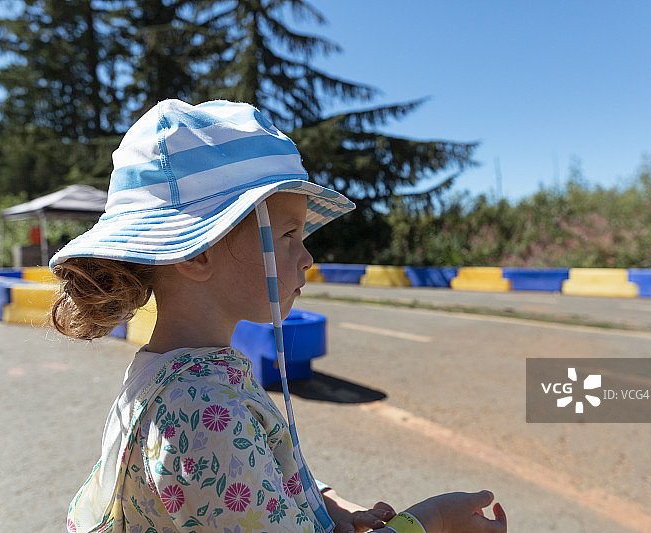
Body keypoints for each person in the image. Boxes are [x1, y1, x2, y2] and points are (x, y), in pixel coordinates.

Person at [51, 99, 507, 533]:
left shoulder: (176, 377)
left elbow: (243, 474)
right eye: (288, 233)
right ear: (197, 253)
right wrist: (433, 521)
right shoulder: (203, 411)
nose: (307, 256)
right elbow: (223, 456)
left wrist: (324, 500)